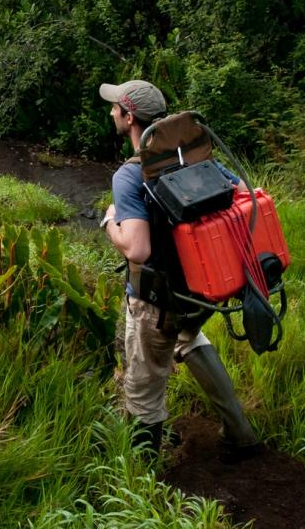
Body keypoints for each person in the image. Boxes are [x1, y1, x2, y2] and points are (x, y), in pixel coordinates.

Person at [97, 79, 260, 457]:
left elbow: (137, 249)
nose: (110, 112)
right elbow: (238, 198)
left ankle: (143, 470)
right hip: (201, 291)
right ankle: (240, 431)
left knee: (143, 385)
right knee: (189, 337)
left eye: (114, 107)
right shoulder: (197, 157)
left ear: (129, 116)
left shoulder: (130, 175)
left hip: (157, 300)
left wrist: (110, 224)